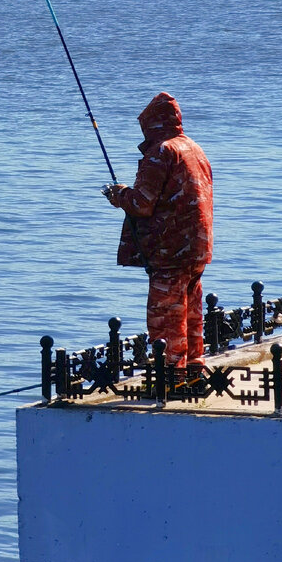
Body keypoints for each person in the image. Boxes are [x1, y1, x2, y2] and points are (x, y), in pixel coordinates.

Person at [104, 92, 213, 373]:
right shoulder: (194, 148)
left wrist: (119, 195)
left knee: (166, 315)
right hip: (197, 247)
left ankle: (171, 376)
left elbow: (142, 203)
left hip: (169, 250)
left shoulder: (161, 152)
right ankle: (193, 369)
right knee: (190, 312)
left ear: (151, 124)